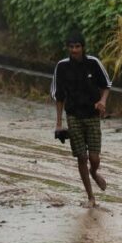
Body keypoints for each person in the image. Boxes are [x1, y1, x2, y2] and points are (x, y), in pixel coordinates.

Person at [51, 31, 112, 207]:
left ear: (83, 47)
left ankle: (94, 172)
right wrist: (58, 123)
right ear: (68, 49)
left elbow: (106, 85)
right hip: (73, 117)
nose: (75, 50)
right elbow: (59, 96)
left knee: (94, 158)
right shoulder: (62, 67)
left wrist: (102, 101)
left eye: (77, 47)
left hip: (92, 116)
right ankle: (91, 197)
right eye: (71, 47)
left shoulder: (93, 63)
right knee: (81, 157)